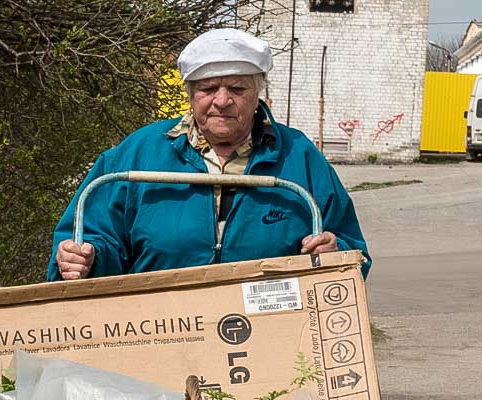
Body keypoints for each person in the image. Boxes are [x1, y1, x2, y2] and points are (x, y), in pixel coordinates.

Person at [49, 29, 369, 281]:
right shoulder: (138, 154)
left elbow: (352, 251)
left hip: (272, 333)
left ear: (258, 93)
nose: (222, 100)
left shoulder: (299, 156)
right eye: (208, 88)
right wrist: (85, 258)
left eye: (237, 89)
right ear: (190, 93)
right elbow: (90, 235)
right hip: (162, 330)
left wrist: (335, 252)